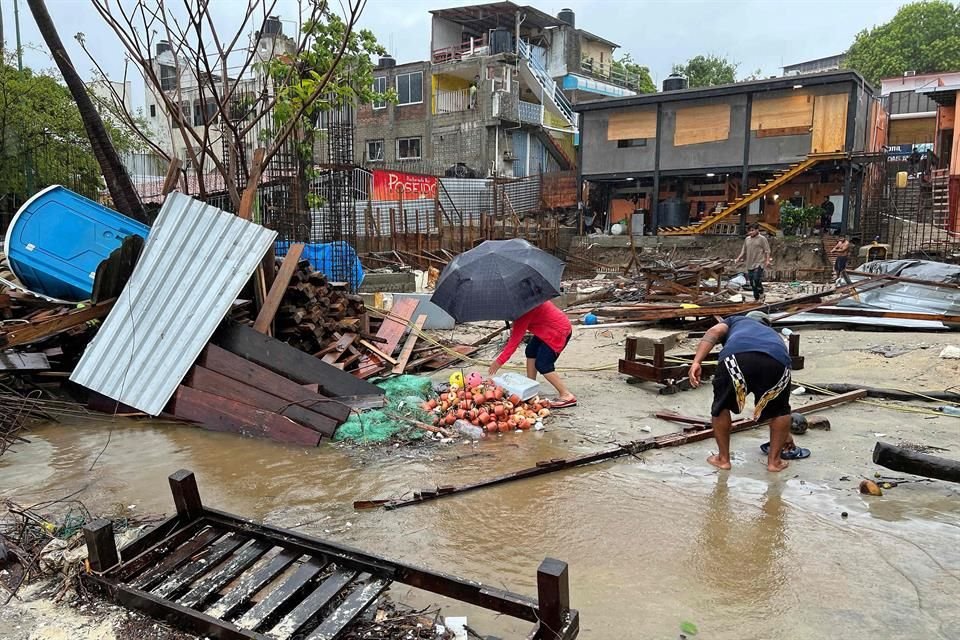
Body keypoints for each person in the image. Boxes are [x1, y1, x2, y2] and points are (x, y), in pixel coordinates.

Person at [688, 312, 803, 473]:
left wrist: (696, 362)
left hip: (735, 359)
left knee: (722, 406)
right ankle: (774, 462)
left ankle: (723, 459)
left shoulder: (736, 320)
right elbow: (775, 413)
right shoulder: (773, 335)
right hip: (776, 361)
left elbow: (713, 332)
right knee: (780, 410)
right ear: (765, 324)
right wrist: (785, 435)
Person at [488, 300, 576, 408]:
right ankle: (531, 387)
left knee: (543, 364)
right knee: (531, 350)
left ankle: (567, 395)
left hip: (559, 331)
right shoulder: (525, 300)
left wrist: (499, 361)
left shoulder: (524, 311)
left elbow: (514, 342)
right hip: (549, 327)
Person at [735, 223, 771, 302]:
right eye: (750, 231)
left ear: (757, 230)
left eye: (753, 230)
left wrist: (767, 260)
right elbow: (743, 251)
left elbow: (767, 251)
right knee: (752, 282)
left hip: (759, 262)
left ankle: (761, 293)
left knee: (756, 279)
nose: (751, 232)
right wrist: (738, 258)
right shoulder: (747, 239)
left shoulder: (762, 239)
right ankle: (756, 297)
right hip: (750, 263)